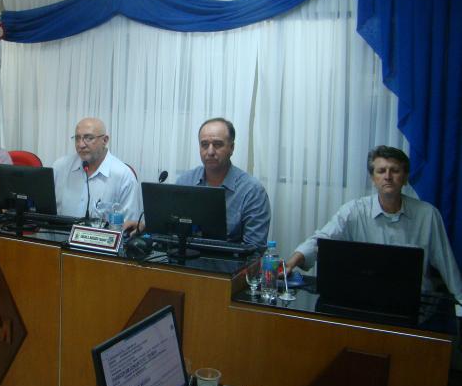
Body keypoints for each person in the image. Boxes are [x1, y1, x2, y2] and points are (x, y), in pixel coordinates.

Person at [285, 145, 462, 302]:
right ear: (372, 178)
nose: (388, 177)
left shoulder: (428, 215)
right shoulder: (354, 210)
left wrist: (460, 302)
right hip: (366, 299)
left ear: (405, 177)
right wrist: (292, 262)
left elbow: (447, 264)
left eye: (395, 170)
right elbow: (322, 239)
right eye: (381, 171)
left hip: (415, 302)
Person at [175, 118, 270, 248]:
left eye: (217, 144)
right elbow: (170, 229)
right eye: (204, 145)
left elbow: (254, 249)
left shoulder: (252, 191)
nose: (210, 152)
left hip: (229, 261)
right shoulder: (185, 181)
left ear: (232, 148)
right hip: (184, 258)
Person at [52, 117, 140, 221]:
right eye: (77, 138)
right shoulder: (60, 167)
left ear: (105, 140)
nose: (81, 144)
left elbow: (130, 224)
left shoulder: (123, 176)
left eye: (89, 138)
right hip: (60, 231)